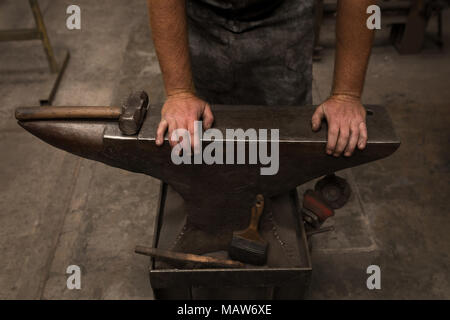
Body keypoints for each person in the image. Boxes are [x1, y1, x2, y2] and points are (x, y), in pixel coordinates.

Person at [147, 0, 375, 157]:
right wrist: (180, 92)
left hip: (286, 11)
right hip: (199, 13)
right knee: (196, 136)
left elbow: (367, 6)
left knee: (285, 140)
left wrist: (347, 94)